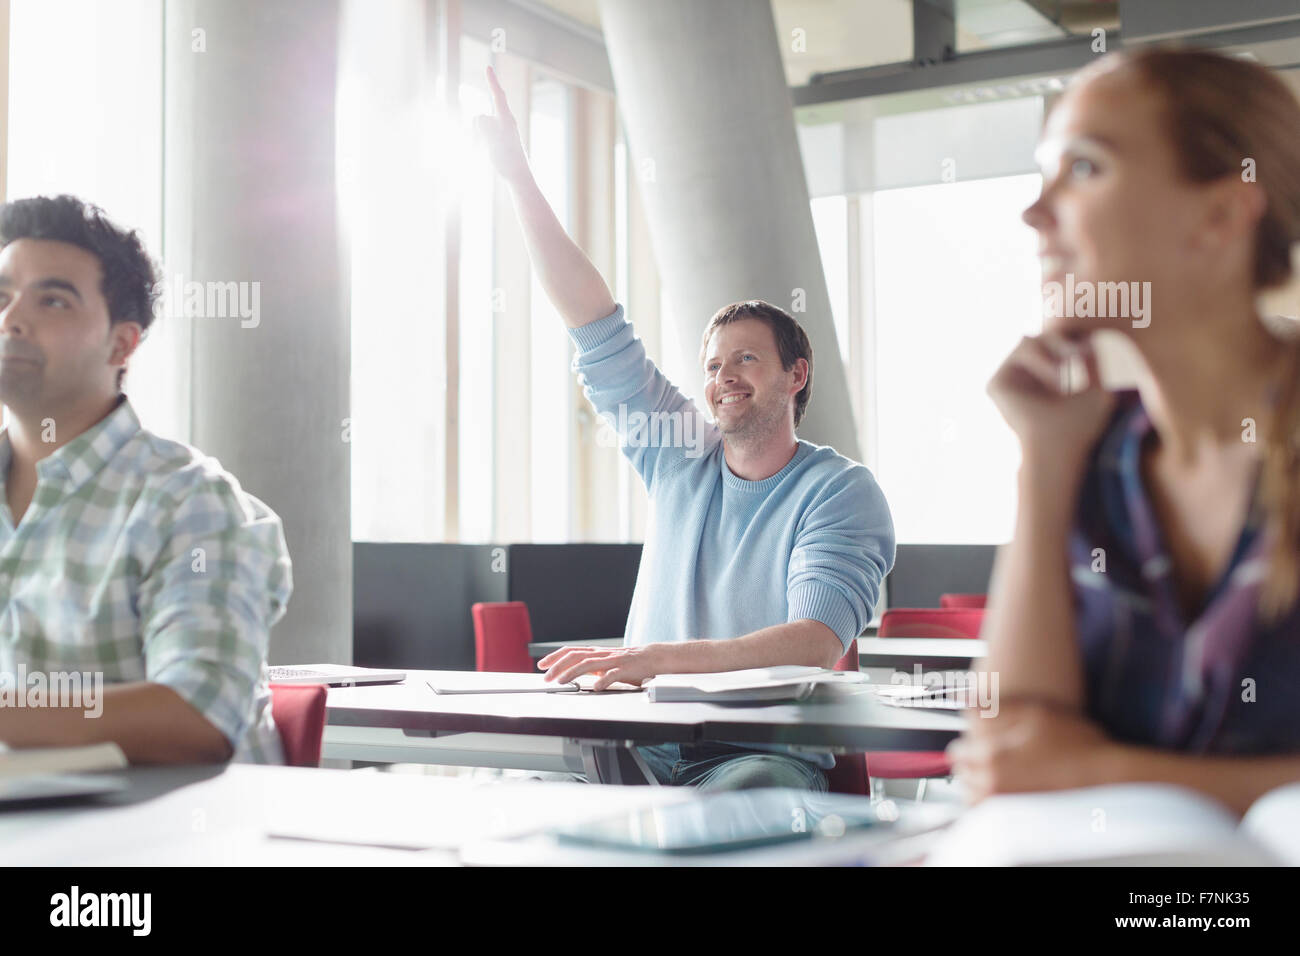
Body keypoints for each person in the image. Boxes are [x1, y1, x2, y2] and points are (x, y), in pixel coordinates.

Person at [476, 67, 894, 790]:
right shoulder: (681, 455)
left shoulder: (840, 492)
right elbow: (595, 327)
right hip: (634, 746)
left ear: (796, 376)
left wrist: (655, 658)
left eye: (747, 360)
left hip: (757, 757)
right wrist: (518, 180)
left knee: (739, 805)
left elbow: (812, 644)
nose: (723, 377)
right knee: (506, 804)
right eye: (713, 364)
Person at [947, 48, 1300, 815]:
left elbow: (1057, 767)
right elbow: (1008, 748)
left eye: (1084, 168)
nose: (1034, 214)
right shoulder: (1090, 455)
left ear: (1221, 212)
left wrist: (1103, 773)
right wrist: (1041, 460)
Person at [0, 195, 291, 764]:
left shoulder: (188, 499)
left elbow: (196, 713)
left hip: (167, 841)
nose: (11, 319)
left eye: (52, 300)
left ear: (122, 343)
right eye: (2, 295)